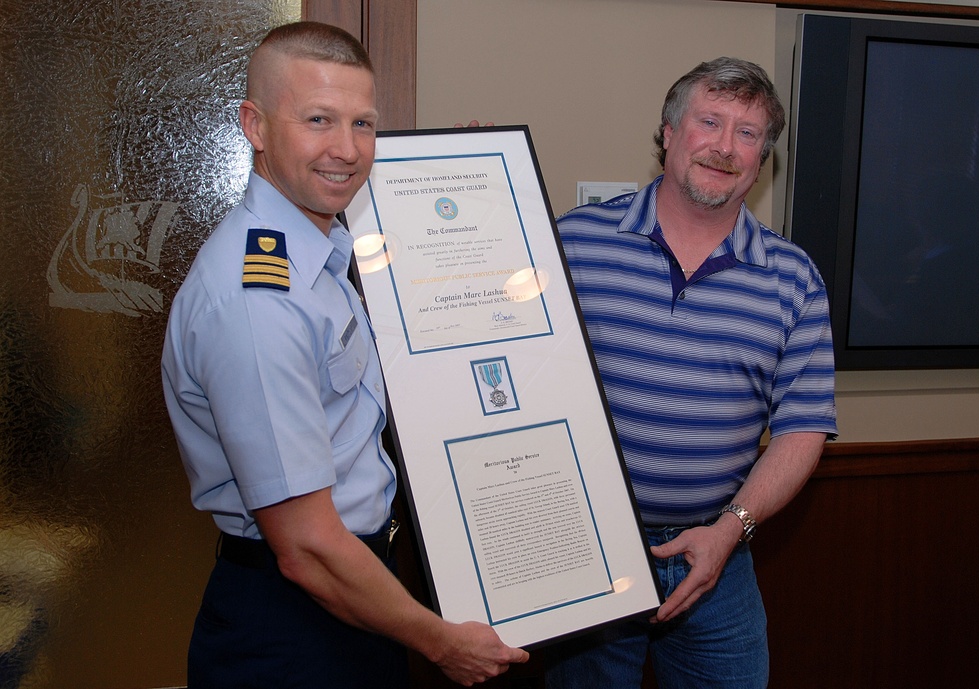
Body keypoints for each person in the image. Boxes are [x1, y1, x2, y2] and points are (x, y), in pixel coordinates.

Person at [160, 21, 528, 688]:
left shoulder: (321, 255)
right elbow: (306, 547)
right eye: (319, 119)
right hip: (295, 616)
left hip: (355, 598)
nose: (347, 149)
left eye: (363, 124)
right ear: (257, 125)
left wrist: (469, 181)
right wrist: (440, 642)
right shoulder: (258, 301)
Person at [544, 57, 838, 688]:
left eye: (749, 133)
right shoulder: (571, 244)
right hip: (590, 553)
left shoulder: (793, 278)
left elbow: (803, 429)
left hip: (719, 560)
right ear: (670, 132)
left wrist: (730, 532)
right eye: (710, 122)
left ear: (763, 160)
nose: (726, 147)